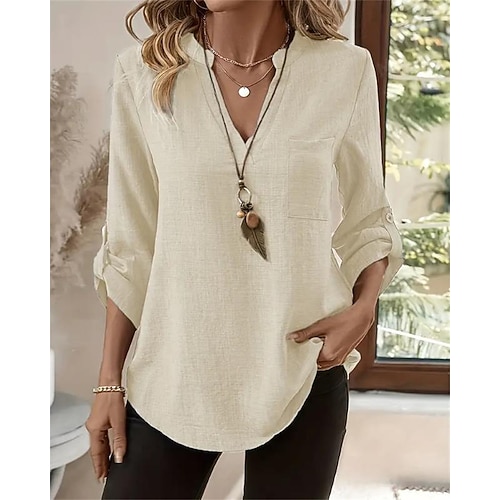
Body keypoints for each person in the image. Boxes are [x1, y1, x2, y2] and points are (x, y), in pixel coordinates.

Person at [85, 0, 404, 498]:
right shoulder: (143, 72)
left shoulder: (344, 70)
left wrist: (363, 309)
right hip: (175, 369)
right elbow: (130, 244)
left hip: (301, 366)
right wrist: (109, 382)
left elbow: (368, 217)